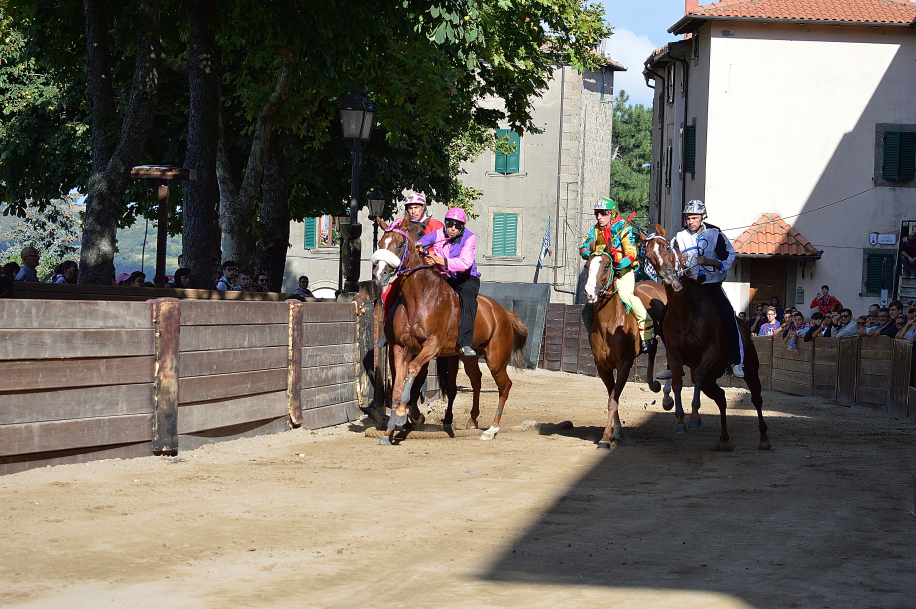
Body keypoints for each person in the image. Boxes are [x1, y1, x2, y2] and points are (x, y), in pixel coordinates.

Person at [671, 199, 744, 376]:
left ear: (703, 217)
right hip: (689, 287)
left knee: (728, 316)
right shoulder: (679, 237)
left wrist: (710, 262)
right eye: (688, 218)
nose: (690, 221)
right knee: (667, 315)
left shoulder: (715, 234)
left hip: (711, 286)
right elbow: (671, 259)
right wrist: (679, 269)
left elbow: (729, 257)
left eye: (694, 218)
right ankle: (671, 363)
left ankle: (736, 361)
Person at [579, 197, 655, 353]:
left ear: (612, 213)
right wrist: (592, 253)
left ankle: (647, 334)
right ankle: (593, 339)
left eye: (603, 213)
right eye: (597, 214)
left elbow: (632, 251)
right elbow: (584, 247)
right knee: (587, 311)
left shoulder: (623, 228)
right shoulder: (594, 230)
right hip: (605, 273)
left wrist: (622, 263)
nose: (599, 217)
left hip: (622, 272)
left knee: (626, 296)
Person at [377, 191, 445, 348]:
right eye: (410, 208)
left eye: (416, 207)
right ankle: (387, 332)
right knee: (388, 294)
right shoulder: (400, 224)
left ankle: (457, 333)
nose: (413, 210)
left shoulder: (435, 225)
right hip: (407, 273)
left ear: (423, 207)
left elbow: (443, 247)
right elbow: (389, 237)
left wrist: (432, 255)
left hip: (433, 269)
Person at [416, 207, 480, 357]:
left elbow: (464, 263)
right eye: (450, 224)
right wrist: (420, 245)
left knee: (468, 297)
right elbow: (425, 240)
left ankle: (465, 343)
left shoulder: (470, 238)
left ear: (462, 227)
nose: (453, 229)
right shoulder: (439, 234)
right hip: (446, 277)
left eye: (457, 226)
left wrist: (437, 259)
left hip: (466, 278)